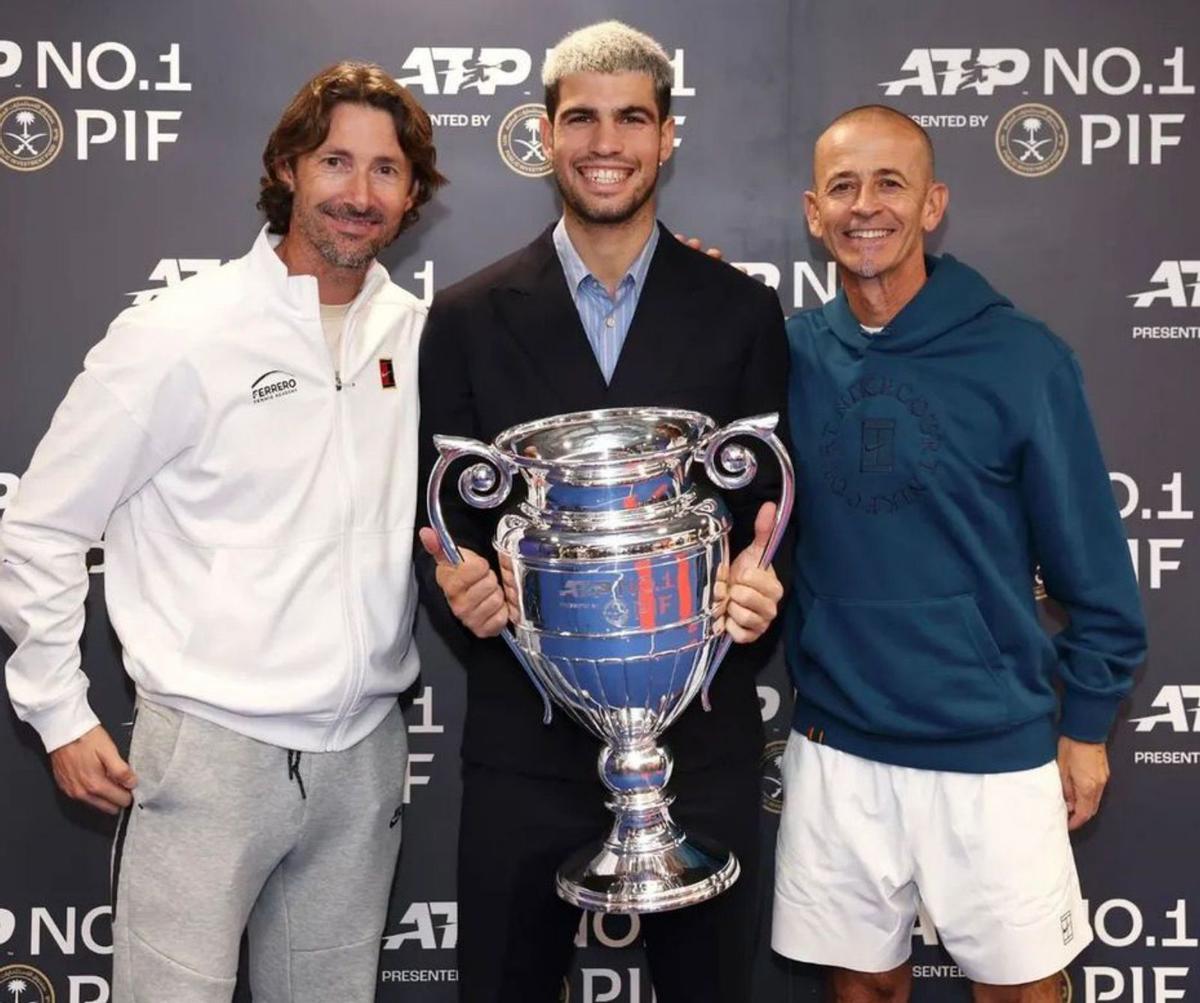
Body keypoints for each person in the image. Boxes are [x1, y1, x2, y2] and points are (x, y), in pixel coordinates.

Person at [0, 61, 445, 1001]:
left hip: (364, 757)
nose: (359, 193)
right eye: (336, 161)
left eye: (386, 170)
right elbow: (39, 523)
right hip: (207, 754)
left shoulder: (421, 336)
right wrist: (58, 711)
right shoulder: (179, 331)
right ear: (288, 168)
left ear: (413, 195)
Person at [415, 21, 788, 1003]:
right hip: (525, 741)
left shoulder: (742, 311)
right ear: (545, 135)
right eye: (581, 118)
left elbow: (774, 511)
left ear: (667, 136)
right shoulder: (463, 317)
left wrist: (761, 585)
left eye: (631, 118)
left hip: (698, 738)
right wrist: (459, 582)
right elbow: (437, 516)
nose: (605, 142)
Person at [772, 104, 1147, 1001]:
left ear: (933, 204)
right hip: (838, 742)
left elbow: (1095, 567)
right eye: (843, 187)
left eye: (890, 183)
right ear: (815, 212)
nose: (867, 206)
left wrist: (1086, 727)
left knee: (1020, 991)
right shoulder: (788, 356)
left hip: (992, 745)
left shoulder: (1023, 357)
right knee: (862, 988)